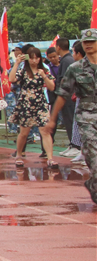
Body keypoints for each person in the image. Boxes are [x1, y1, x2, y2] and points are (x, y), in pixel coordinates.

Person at [44, 29, 97, 203]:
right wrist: (52, 119)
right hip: (87, 117)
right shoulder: (76, 68)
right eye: (85, 41)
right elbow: (63, 94)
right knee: (94, 157)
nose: (88, 44)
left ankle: (93, 184)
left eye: (92, 41)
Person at [10, 46, 56, 167]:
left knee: (45, 131)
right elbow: (12, 79)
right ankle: (19, 154)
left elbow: (52, 87)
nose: (34, 60)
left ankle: (50, 158)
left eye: (36, 58)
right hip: (26, 103)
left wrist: (44, 76)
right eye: (31, 58)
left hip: (40, 103)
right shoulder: (24, 70)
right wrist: (16, 63)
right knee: (24, 132)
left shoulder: (44, 70)